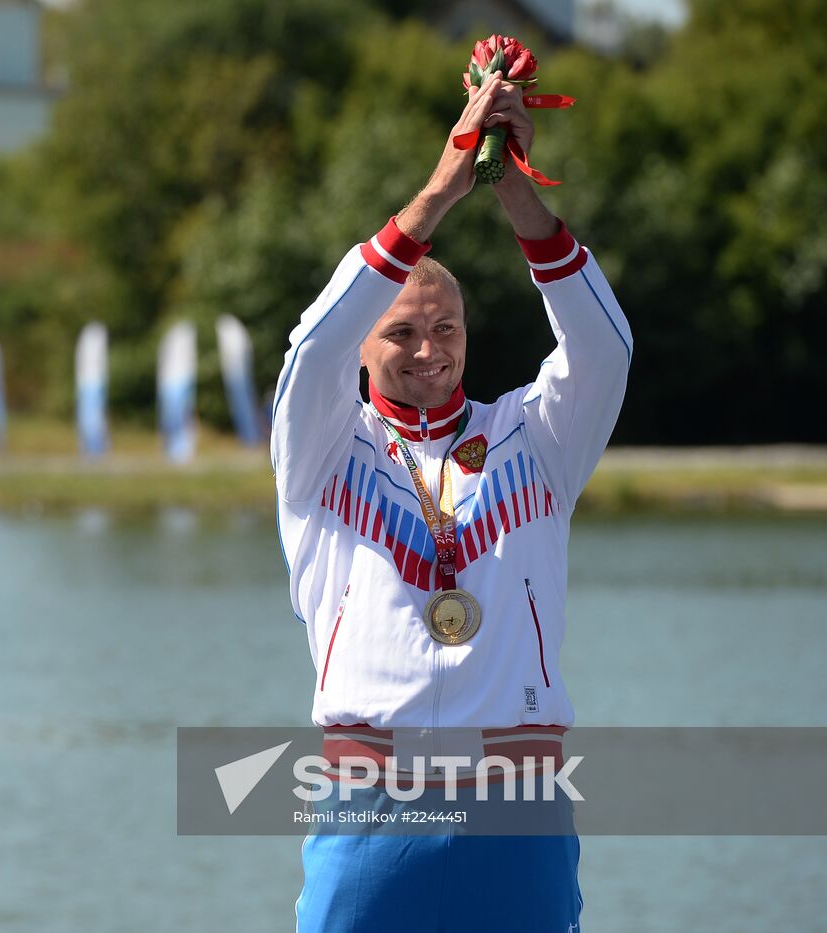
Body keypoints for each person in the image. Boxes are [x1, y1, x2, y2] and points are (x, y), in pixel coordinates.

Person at [272, 72, 631, 931]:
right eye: (399, 329)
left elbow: (605, 347)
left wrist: (517, 197)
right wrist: (440, 192)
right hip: (371, 817)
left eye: (446, 329)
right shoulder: (323, 444)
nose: (427, 350)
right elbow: (310, 343)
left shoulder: (536, 438)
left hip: (518, 814)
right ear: (364, 344)